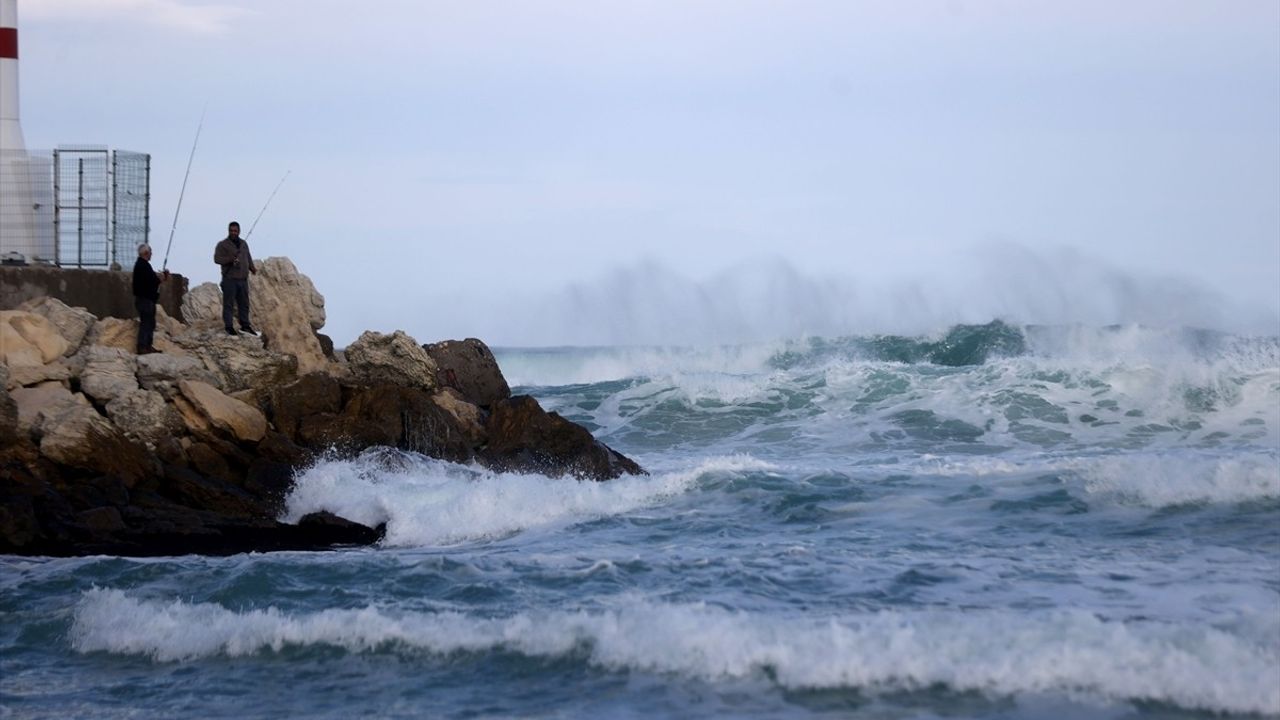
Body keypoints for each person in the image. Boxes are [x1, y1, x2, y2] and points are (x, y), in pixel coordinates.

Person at [213, 220, 258, 336]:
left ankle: (245, 325)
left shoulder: (244, 244)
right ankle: (229, 326)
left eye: (235, 231)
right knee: (229, 304)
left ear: (239, 231)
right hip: (229, 279)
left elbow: (248, 257)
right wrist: (230, 259)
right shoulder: (222, 244)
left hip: (243, 279)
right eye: (231, 230)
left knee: (244, 303)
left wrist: (252, 268)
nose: (233, 232)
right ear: (228, 231)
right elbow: (217, 259)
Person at [131, 243, 169, 355]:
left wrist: (160, 277)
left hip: (146, 300)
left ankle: (147, 346)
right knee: (146, 323)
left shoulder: (142, 265)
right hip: (145, 300)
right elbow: (152, 280)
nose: (152, 254)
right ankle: (143, 347)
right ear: (146, 253)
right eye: (150, 252)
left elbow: (151, 279)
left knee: (150, 323)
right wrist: (161, 277)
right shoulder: (143, 266)